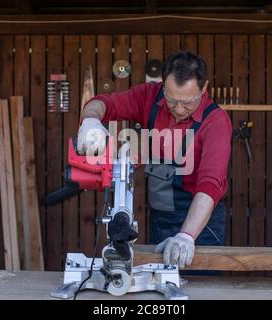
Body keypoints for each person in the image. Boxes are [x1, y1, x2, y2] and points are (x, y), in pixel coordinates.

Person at [78, 50, 232, 269]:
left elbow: (210, 185)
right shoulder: (148, 98)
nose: (179, 109)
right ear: (162, 86)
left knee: (198, 289)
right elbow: (103, 103)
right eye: (172, 100)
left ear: (204, 89)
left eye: (188, 102)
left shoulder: (216, 122)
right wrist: (91, 121)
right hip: (161, 217)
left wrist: (186, 236)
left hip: (201, 224)